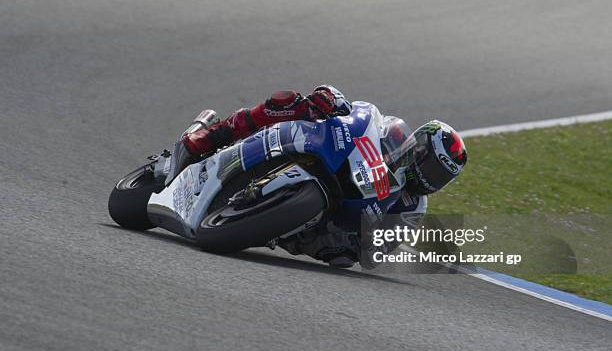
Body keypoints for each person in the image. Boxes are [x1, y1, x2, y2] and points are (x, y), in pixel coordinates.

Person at [167, 85, 467, 269]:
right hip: (331, 160)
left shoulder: (414, 208)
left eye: (441, 177)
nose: (431, 179)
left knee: (342, 257)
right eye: (432, 168)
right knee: (290, 102)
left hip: (327, 231)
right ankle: (213, 134)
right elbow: (362, 115)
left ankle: (264, 218)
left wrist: (368, 239)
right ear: (421, 150)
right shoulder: (394, 134)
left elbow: (375, 255)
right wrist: (331, 100)